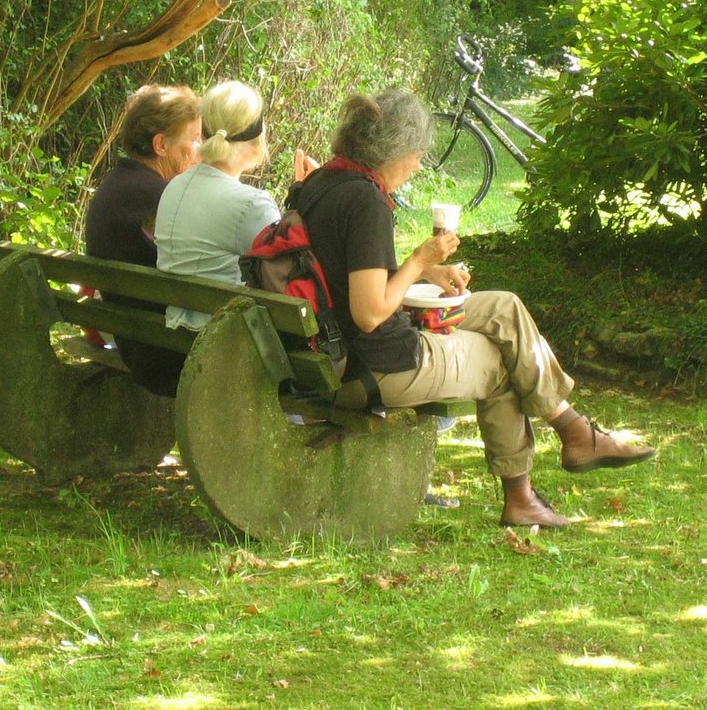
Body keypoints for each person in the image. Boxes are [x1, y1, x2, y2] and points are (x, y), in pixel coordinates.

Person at [294, 90, 656, 529]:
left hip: (329, 353)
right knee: (501, 360)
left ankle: (574, 432)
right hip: (373, 367)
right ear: (394, 150)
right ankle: (529, 488)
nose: (418, 164)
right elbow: (369, 313)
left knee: (505, 308)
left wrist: (427, 272)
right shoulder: (366, 201)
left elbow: (343, 270)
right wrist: (419, 261)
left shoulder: (323, 182)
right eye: (417, 154)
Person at [84, 84, 203, 394]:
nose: (201, 150)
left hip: (133, 338)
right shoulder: (164, 198)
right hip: (166, 354)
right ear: (160, 144)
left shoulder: (114, 186)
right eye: (194, 139)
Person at [155, 80, 280, 331]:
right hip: (225, 343)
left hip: (173, 340)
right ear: (257, 140)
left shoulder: (174, 187)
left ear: (203, 132)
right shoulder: (251, 205)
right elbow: (286, 280)